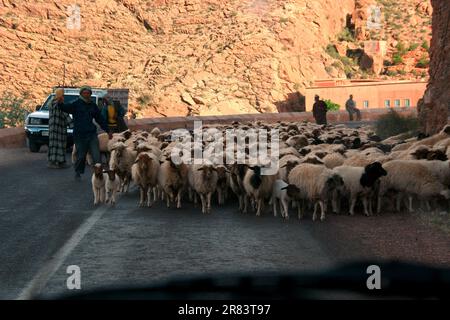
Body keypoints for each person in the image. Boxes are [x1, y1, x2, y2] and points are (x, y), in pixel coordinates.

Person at [57, 85, 112, 180]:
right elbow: (65, 108)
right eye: (84, 93)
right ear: (81, 93)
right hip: (79, 134)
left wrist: (108, 130)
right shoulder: (76, 104)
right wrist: (60, 103)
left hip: (91, 134)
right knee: (81, 156)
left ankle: (99, 175)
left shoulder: (93, 105)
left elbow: (100, 119)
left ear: (90, 94)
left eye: (88, 93)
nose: (86, 95)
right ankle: (78, 172)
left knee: (96, 155)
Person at [47, 88, 71, 169]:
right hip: (59, 129)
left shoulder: (51, 103)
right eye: (63, 95)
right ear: (60, 96)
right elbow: (66, 115)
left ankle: (53, 162)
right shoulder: (59, 104)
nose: (63, 97)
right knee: (60, 145)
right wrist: (72, 125)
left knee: (53, 145)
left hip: (52, 128)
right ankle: (59, 162)